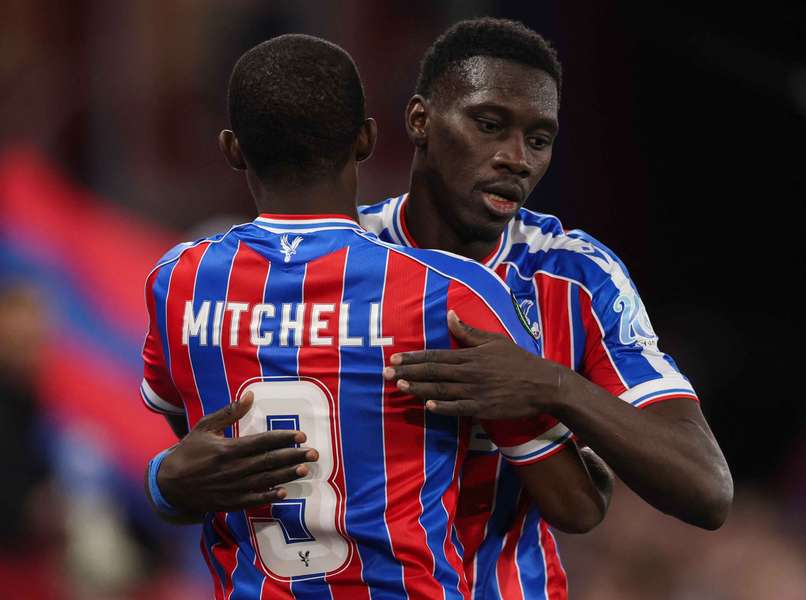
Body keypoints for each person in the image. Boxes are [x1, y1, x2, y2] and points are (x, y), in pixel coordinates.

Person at [140, 34, 605, 598]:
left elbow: (199, 461)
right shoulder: (452, 293)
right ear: (366, 139)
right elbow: (576, 507)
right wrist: (588, 471)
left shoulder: (179, 283)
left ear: (233, 149)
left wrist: (161, 481)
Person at [367, 18, 733, 598]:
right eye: (490, 125)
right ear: (420, 120)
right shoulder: (341, 254)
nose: (516, 158)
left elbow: (707, 489)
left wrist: (549, 385)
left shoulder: (575, 275)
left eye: (538, 140)